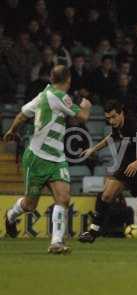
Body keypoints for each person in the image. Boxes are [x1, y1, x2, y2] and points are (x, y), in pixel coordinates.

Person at [3, 65, 92, 254]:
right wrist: (87, 104)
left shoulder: (44, 94)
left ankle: (56, 242)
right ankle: (10, 215)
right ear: (68, 80)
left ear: (52, 78)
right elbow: (83, 116)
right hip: (37, 158)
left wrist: (12, 130)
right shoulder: (59, 96)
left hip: (57, 158)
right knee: (29, 205)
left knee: (64, 198)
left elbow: (22, 114)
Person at [78, 100, 137, 243]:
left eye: (114, 116)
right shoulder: (117, 126)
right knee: (106, 195)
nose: (111, 121)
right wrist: (93, 149)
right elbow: (111, 137)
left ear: (121, 113)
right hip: (127, 166)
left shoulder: (136, 126)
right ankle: (93, 232)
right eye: (108, 118)